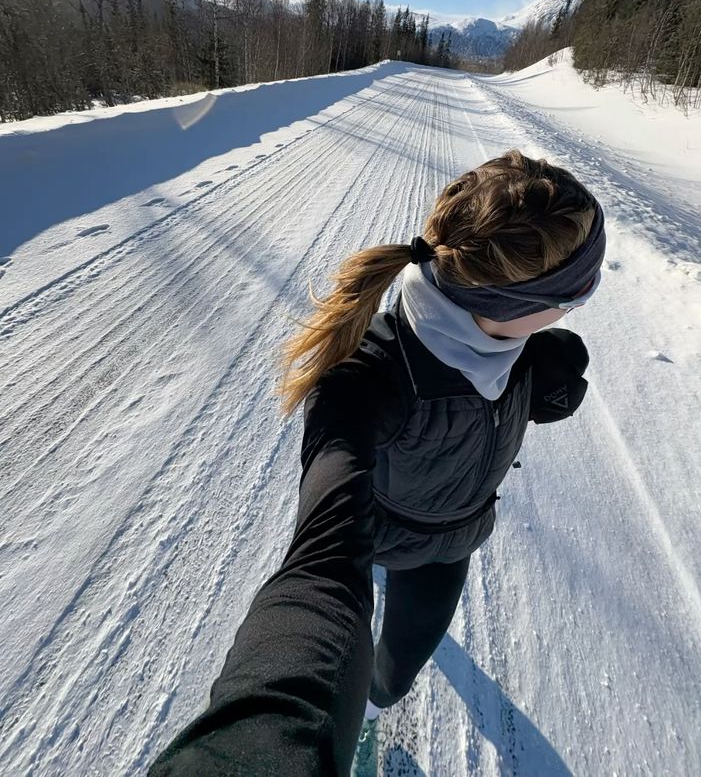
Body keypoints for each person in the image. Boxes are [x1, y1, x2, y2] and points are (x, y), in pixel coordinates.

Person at [148, 149, 606, 777]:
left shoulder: (523, 349)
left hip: (453, 540)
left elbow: (492, 406)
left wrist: (541, 396)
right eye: (578, 295)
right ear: (511, 302)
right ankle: (352, 718)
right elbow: (319, 573)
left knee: (395, 672)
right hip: (377, 532)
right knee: (359, 648)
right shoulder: (369, 378)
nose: (578, 310)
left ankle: (369, 708)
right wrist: (271, 738)